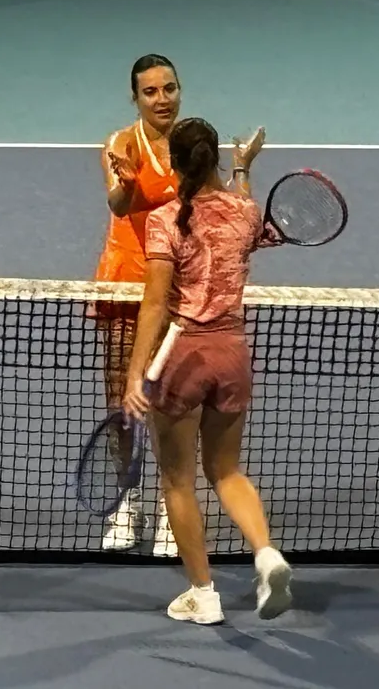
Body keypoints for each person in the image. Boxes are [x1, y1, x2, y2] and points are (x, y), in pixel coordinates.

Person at [121, 116, 292, 625]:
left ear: (173, 163)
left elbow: (155, 305)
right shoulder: (245, 211)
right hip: (232, 356)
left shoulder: (165, 219)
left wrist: (134, 374)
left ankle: (204, 594)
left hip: (184, 358)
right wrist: (243, 170)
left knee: (178, 480)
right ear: (213, 156)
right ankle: (266, 554)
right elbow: (240, 219)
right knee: (227, 471)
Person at [93, 54, 262, 554]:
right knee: (121, 399)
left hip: (185, 287)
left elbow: (224, 207)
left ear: (180, 90)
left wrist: (241, 169)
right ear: (135, 98)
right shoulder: (123, 144)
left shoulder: (193, 144)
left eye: (169, 88)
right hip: (129, 283)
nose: (161, 99)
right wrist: (127, 183)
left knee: (179, 400)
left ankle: (175, 504)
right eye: (150, 91)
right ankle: (128, 500)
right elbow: (117, 204)